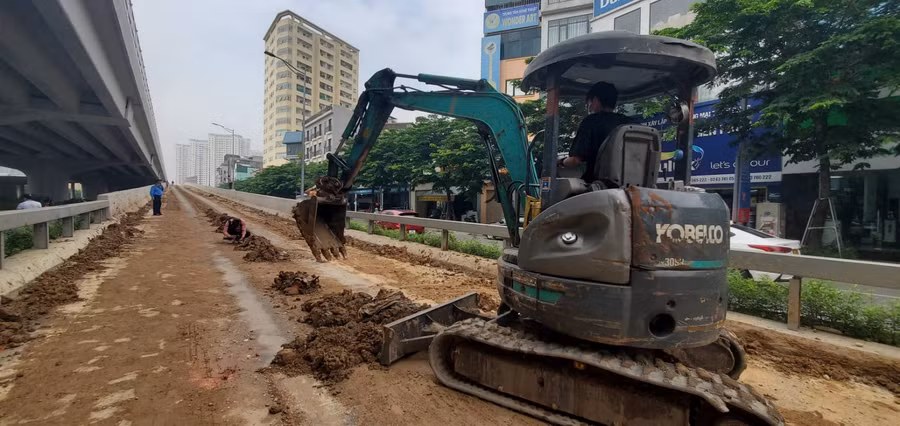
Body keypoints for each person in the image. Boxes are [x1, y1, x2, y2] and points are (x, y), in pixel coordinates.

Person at [558, 81, 631, 183]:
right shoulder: (629, 122)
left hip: (598, 183)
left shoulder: (591, 122)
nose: (589, 107)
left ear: (595, 101)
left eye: (589, 103)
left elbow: (575, 160)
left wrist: (561, 162)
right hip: (629, 183)